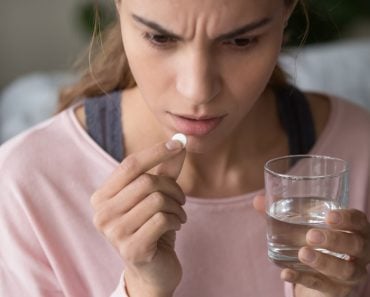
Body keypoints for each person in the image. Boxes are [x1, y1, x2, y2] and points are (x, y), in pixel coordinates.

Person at [1, 0, 369, 296]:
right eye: (160, 38)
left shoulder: (361, 148)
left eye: (240, 41)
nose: (197, 91)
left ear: (287, 12)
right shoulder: (24, 186)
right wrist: (141, 289)